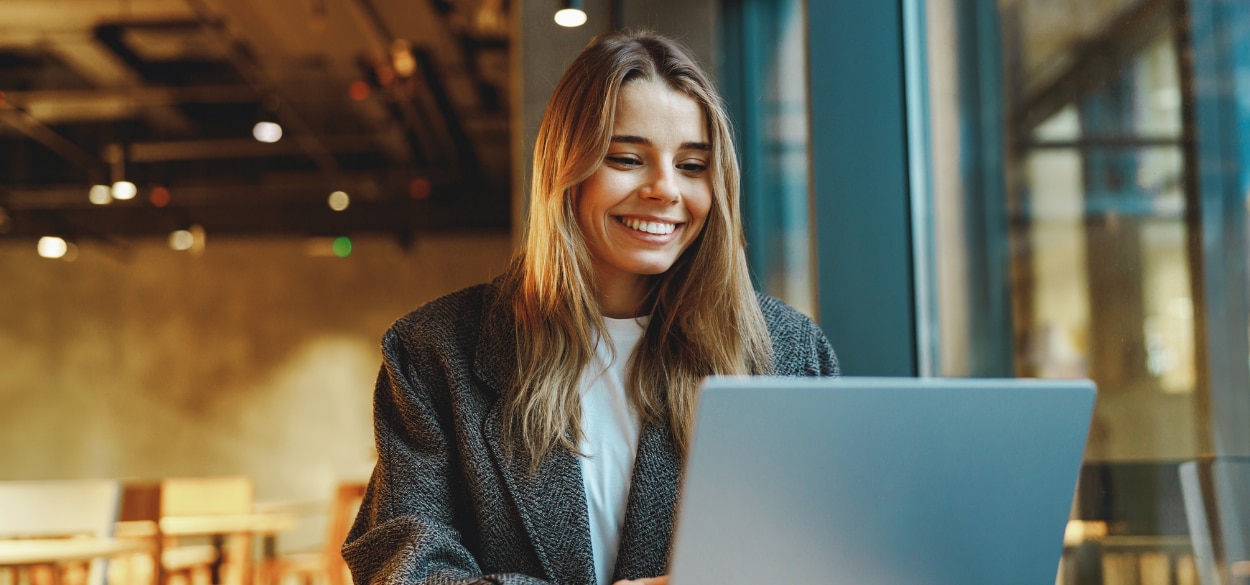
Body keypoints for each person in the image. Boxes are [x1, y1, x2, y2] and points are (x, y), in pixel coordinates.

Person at [342, 29, 839, 585]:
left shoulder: (789, 351)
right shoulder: (434, 353)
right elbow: (402, 565)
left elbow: (831, 551)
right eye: (628, 158)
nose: (666, 190)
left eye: (693, 166)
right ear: (566, 172)